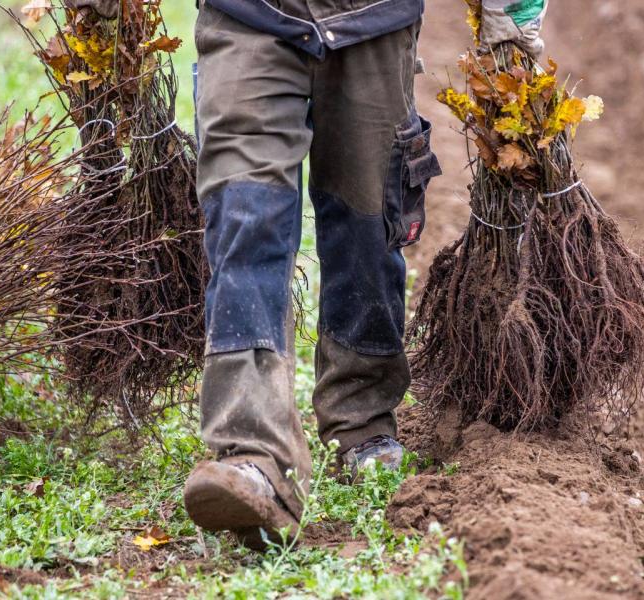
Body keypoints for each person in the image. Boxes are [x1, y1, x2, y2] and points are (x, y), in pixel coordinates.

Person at [66, 0, 548, 549]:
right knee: (245, 215)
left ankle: (362, 420)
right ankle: (254, 454)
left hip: (374, 19)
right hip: (248, 16)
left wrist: (512, 12)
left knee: (367, 223)